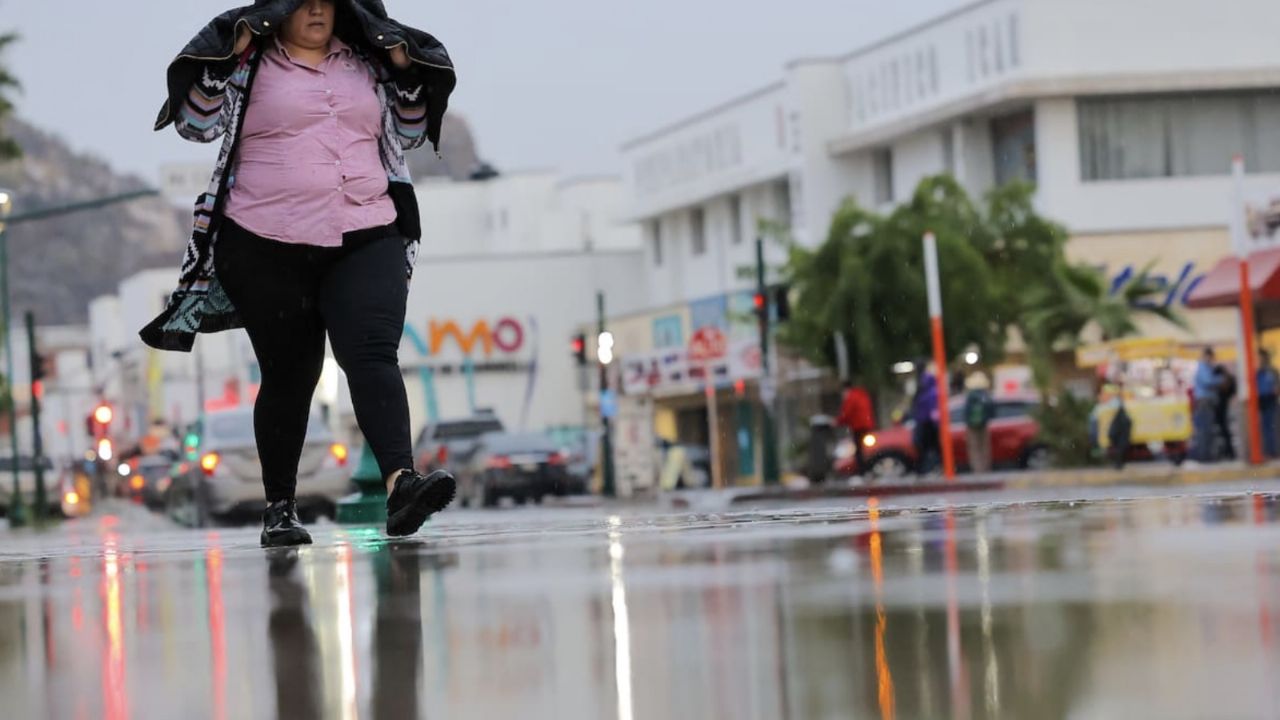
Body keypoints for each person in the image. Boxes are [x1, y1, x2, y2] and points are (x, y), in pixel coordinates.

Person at [141, 0, 459, 547]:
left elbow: (407, 134)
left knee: (372, 352)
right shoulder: (250, 62)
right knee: (292, 373)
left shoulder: (368, 61)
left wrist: (407, 71)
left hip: (367, 229)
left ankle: (401, 484)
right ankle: (280, 509)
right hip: (265, 243)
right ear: (277, 9)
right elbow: (195, 125)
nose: (316, 8)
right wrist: (224, 57)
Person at [836, 381, 876, 474]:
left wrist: (837, 422)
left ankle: (862, 471)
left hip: (858, 426)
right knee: (866, 449)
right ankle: (868, 469)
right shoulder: (862, 395)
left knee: (859, 450)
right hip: (867, 425)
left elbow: (846, 413)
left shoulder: (851, 397)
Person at [962, 372, 995, 474]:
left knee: (974, 448)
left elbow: (966, 411)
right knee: (985, 447)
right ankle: (986, 468)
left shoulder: (970, 396)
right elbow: (991, 409)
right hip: (984, 424)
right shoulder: (985, 395)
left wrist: (967, 421)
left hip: (972, 425)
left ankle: (977, 469)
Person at [1191, 348, 1219, 462]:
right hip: (1204, 401)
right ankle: (1204, 455)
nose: (1212, 360)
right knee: (1205, 429)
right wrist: (1221, 380)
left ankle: (1206, 454)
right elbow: (1208, 382)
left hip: (1206, 401)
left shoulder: (1206, 368)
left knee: (1206, 429)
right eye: (1211, 357)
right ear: (1207, 356)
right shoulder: (1203, 368)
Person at [912, 365, 940, 476]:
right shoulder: (930, 391)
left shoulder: (928, 392)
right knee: (930, 447)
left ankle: (929, 468)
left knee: (927, 447)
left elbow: (932, 409)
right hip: (926, 422)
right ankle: (930, 468)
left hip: (926, 423)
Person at [1213, 363, 1238, 460]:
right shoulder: (1229, 379)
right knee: (1224, 433)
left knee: (1225, 433)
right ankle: (1228, 453)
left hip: (1222, 411)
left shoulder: (1226, 381)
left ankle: (1229, 454)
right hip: (1224, 410)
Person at [1259, 350, 1280, 458]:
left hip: (1271, 400)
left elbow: (1277, 385)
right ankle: (1268, 451)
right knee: (1264, 428)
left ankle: (1274, 451)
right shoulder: (1257, 372)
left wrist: (1276, 390)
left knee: (1273, 427)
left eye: (1262, 357)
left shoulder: (1272, 371)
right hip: (1261, 401)